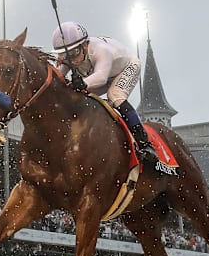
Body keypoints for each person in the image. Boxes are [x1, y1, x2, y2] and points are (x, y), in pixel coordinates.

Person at [51, 22, 157, 163]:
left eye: (73, 53)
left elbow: (101, 77)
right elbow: (56, 80)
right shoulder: (72, 56)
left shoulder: (100, 50)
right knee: (77, 96)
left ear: (85, 45)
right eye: (64, 55)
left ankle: (145, 143)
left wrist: (83, 83)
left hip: (126, 68)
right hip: (102, 73)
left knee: (115, 95)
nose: (70, 60)